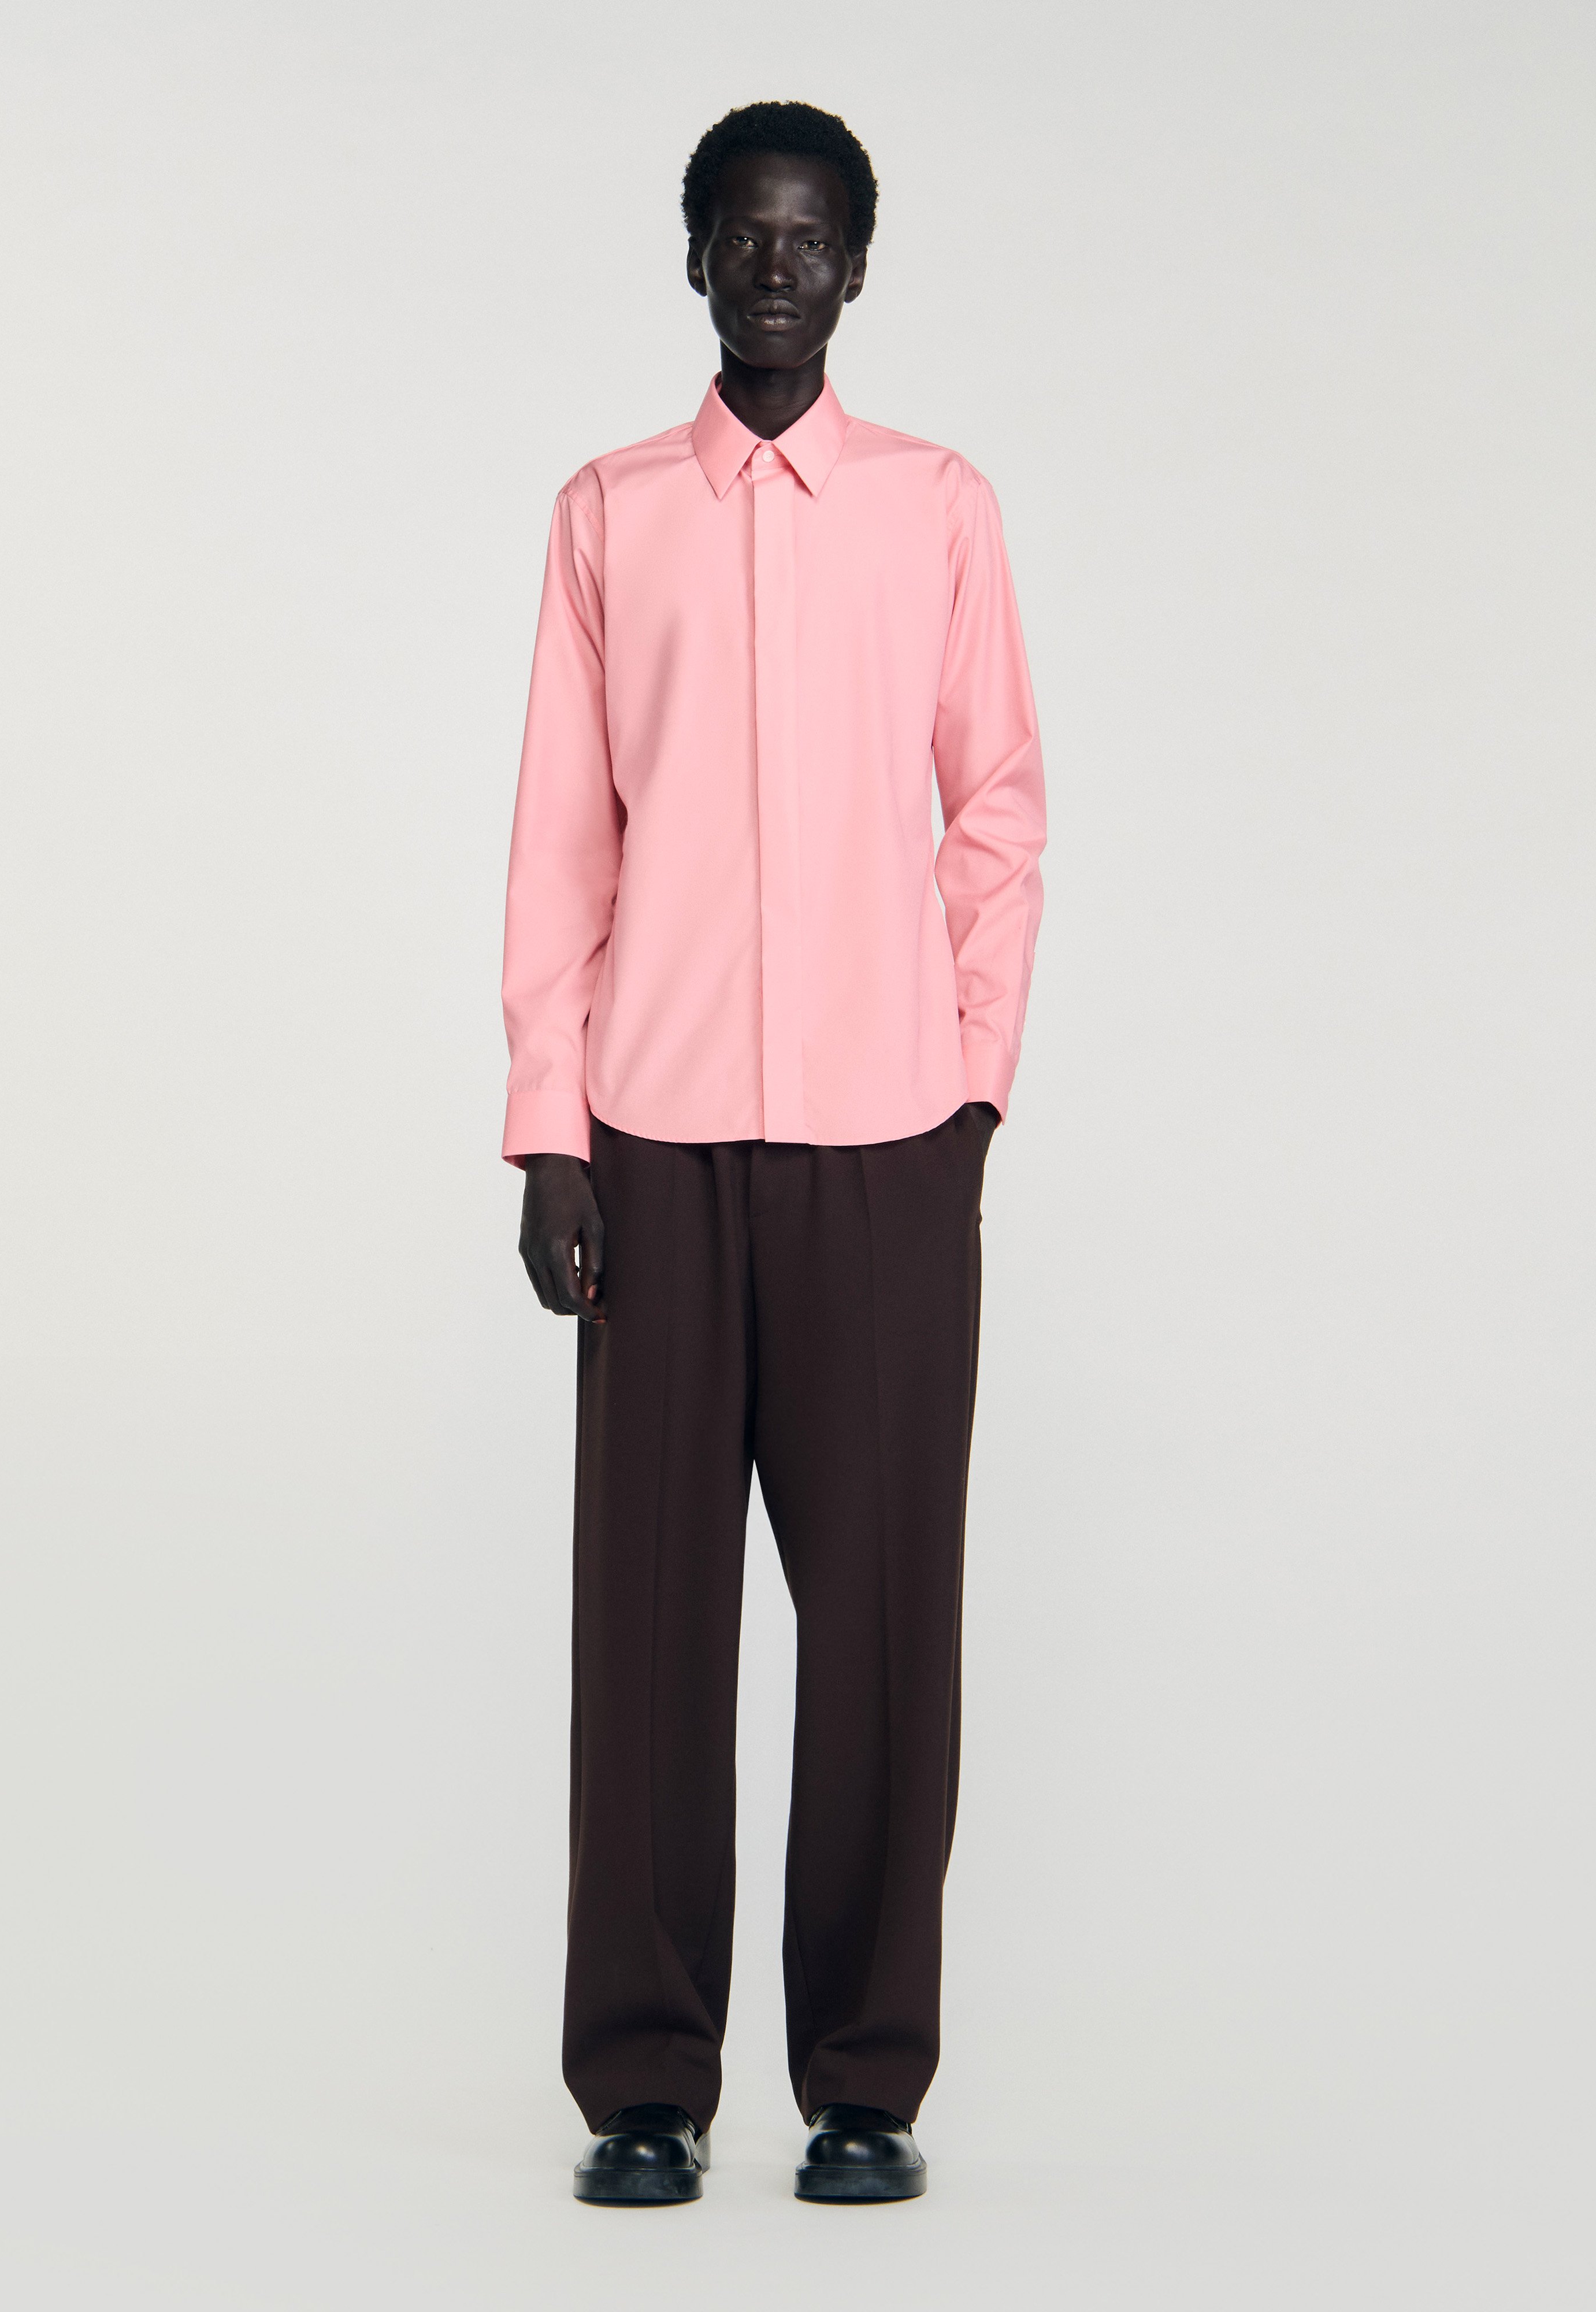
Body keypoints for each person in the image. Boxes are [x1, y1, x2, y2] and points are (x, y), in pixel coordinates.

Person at [500, 99, 1046, 2206]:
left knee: (886, 1622)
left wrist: (971, 1090)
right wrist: (550, 1131)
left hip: (887, 1149)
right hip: (651, 1141)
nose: (777, 269)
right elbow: (564, 839)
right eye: (745, 233)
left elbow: (999, 810)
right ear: (697, 256)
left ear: (859, 267)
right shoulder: (610, 514)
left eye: (812, 238)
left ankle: (864, 2083)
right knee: (648, 1626)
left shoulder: (937, 510)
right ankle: (646, 2084)